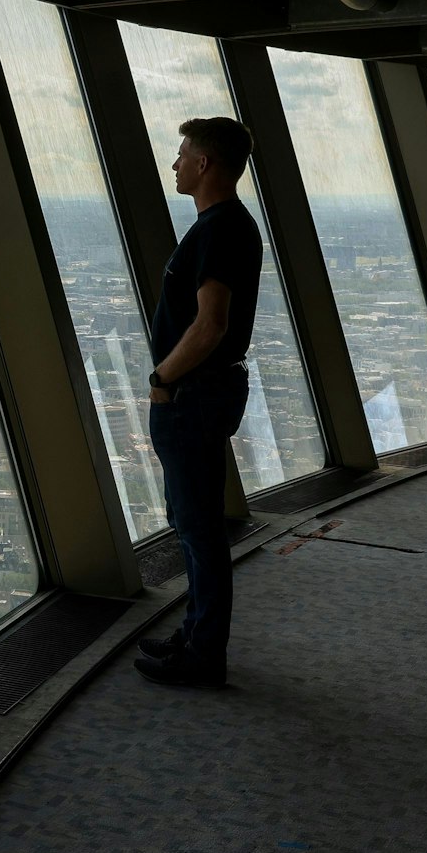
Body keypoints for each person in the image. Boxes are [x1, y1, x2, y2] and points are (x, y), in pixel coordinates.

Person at [136, 116, 262, 689]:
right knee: (194, 523)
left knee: (198, 528)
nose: (176, 163)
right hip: (204, 393)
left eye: (183, 154)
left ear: (205, 163)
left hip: (193, 395)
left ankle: (204, 652)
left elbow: (210, 326)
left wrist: (162, 377)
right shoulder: (226, 226)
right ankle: (195, 634)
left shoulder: (217, 231)